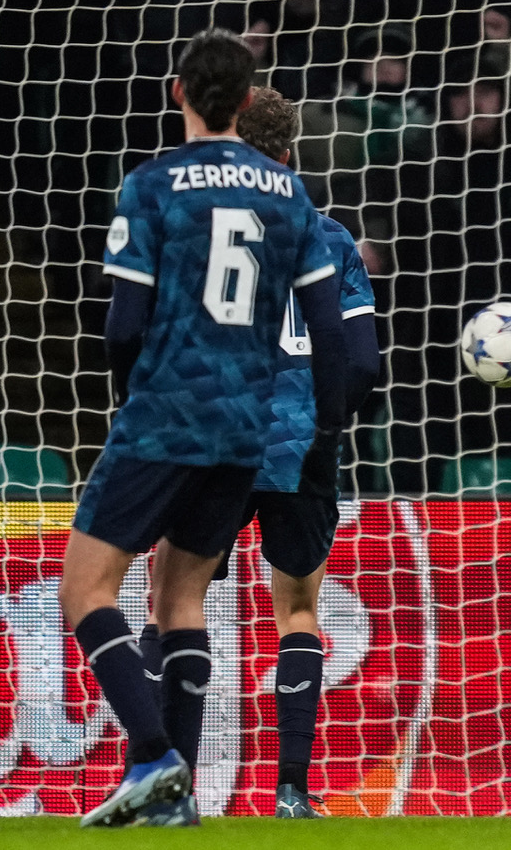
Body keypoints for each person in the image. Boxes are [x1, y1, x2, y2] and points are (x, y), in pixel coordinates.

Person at [57, 29, 347, 828]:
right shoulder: (290, 196)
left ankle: (154, 756)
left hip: (167, 413)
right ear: (247, 100)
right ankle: (172, 804)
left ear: (177, 92)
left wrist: (138, 397)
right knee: (181, 594)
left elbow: (123, 324)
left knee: (86, 588)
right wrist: (323, 428)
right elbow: (328, 330)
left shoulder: (152, 185)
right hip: (246, 426)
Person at [132, 86, 381, 821]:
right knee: (298, 608)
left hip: (217, 437)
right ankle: (292, 792)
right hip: (302, 444)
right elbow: (362, 363)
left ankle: (164, 784)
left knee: (172, 601)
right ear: (292, 152)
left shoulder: (200, 233)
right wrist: (324, 427)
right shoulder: (330, 238)